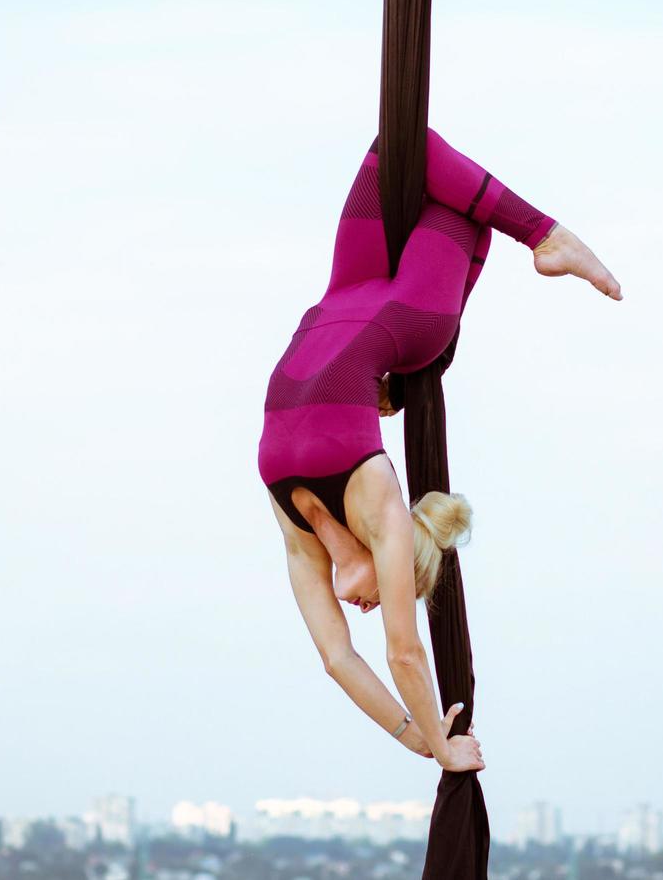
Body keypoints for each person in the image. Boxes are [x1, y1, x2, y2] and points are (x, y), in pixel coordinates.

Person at [259, 127, 621, 772]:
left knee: (400, 149)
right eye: (397, 592)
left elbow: (340, 661)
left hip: (346, 294)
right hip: (407, 318)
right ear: (393, 556)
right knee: (439, 180)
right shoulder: (382, 511)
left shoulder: (296, 529)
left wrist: (420, 738)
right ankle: (543, 241)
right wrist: (440, 747)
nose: (370, 608)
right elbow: (400, 653)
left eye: (376, 601)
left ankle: (541, 243)